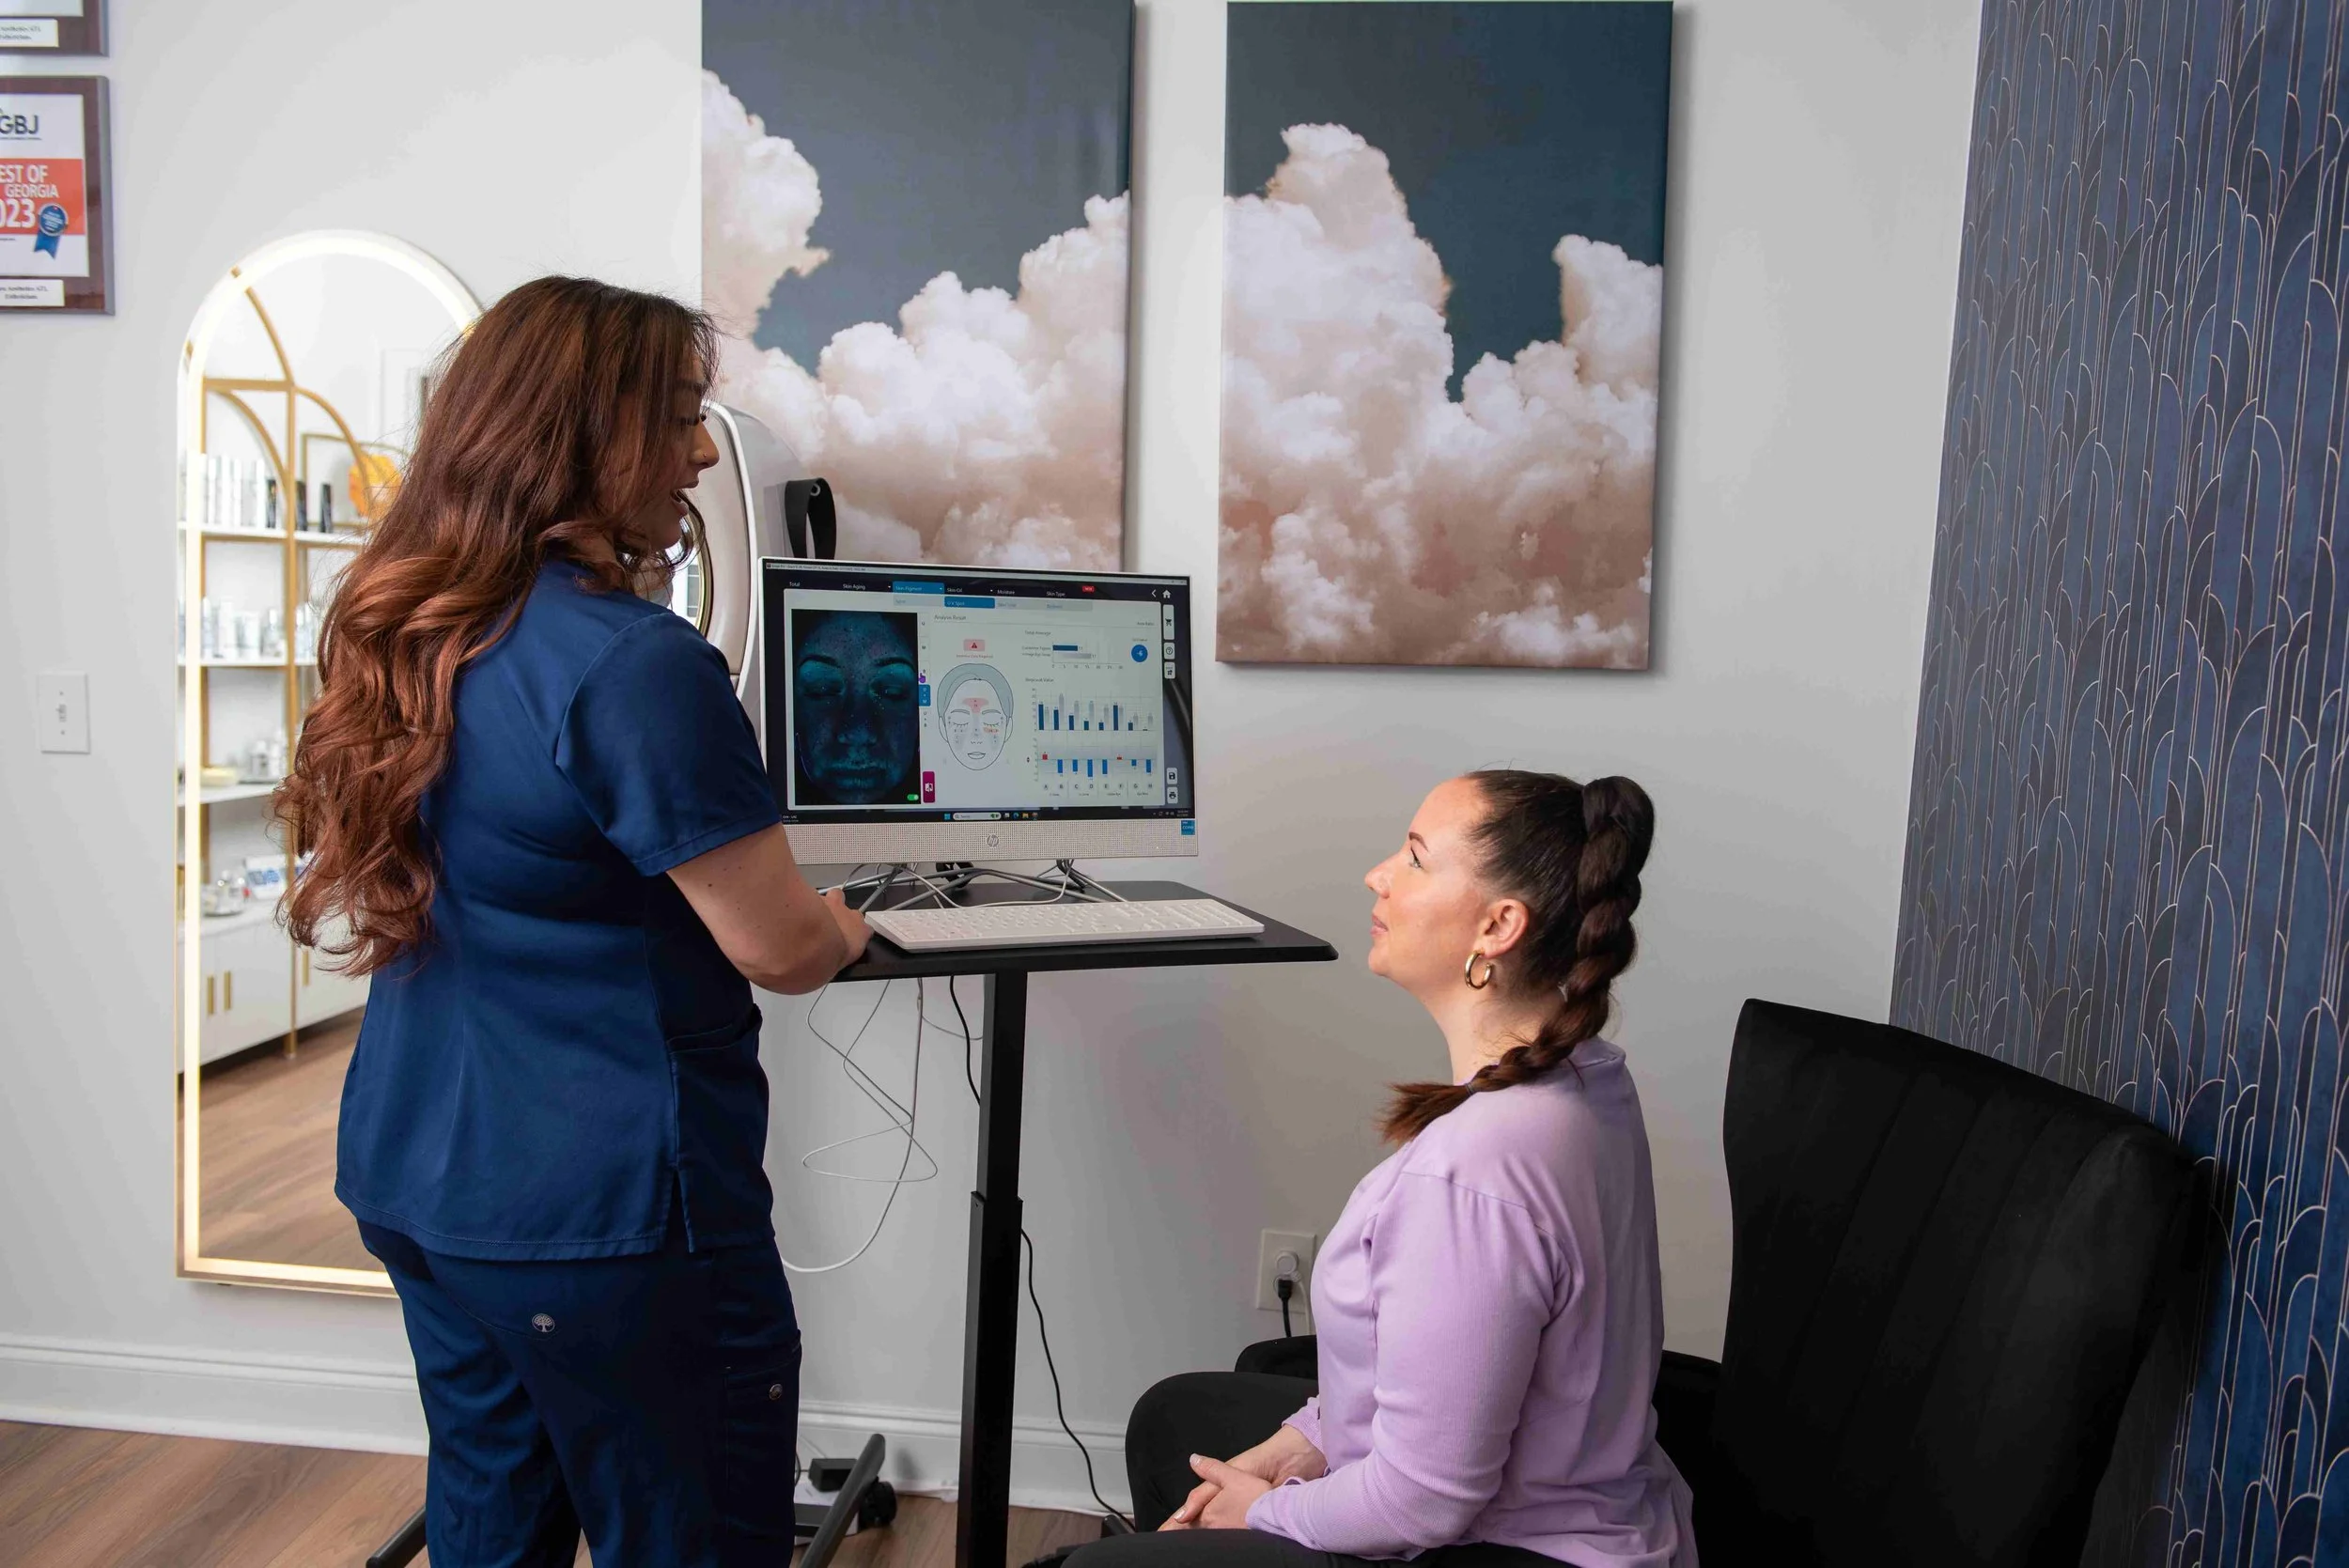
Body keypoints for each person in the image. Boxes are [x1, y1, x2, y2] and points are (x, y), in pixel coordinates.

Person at [276, 276, 870, 1568]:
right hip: (602, 1219)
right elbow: (777, 945)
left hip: (423, 1181)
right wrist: (848, 924)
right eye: (674, 415)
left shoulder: (407, 630)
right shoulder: (637, 666)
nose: (702, 450)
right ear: (576, 434)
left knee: (494, 1525)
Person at [1082, 771, 1695, 1568]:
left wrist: (1268, 1509)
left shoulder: (1472, 1172)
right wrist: (1300, 1444)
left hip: (1508, 1548)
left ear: (1498, 925)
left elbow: (1424, 1498)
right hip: (1579, 1502)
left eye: (1412, 858)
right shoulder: (1588, 1074)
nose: (1378, 874)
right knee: (1173, 1417)